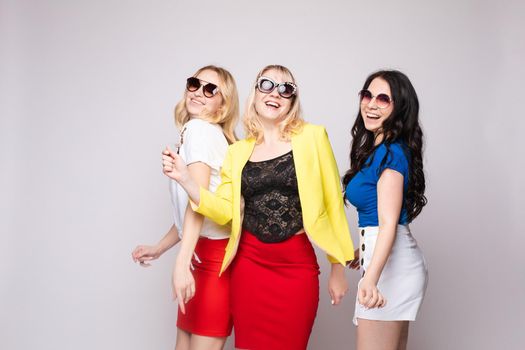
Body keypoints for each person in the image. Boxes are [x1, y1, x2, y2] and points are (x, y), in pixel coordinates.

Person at [161, 64, 355, 350]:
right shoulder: (238, 151)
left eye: (285, 88)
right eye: (267, 84)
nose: (275, 93)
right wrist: (188, 181)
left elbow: (332, 202)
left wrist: (337, 267)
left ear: (292, 100)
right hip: (249, 266)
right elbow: (225, 210)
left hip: (296, 267)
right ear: (255, 93)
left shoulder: (313, 137)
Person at [132, 65, 239, 350]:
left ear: (223, 103)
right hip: (201, 255)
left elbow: (199, 201)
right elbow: (191, 207)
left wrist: (181, 262)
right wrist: (160, 247)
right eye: (195, 84)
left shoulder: (199, 131)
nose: (198, 93)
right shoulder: (203, 133)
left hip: (211, 262)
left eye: (210, 89)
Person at [344, 70, 428, 350]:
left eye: (383, 99)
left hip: (392, 268)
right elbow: (381, 220)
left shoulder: (391, 153)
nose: (371, 104)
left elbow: (389, 223)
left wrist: (371, 278)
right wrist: (364, 249)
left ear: (399, 108)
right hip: (389, 260)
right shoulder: (380, 151)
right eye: (367, 95)